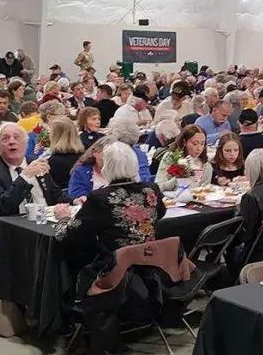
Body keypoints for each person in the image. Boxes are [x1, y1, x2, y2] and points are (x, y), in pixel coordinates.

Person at [53, 139, 165, 274]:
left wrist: (63, 218)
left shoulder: (99, 197)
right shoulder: (151, 189)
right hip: (149, 261)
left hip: (114, 269)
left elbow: (65, 235)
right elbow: (161, 213)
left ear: (106, 167)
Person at [0, 123, 68, 216]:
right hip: (15, 222)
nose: (11, 141)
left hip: (46, 218)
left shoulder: (36, 162)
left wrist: (75, 200)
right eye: (5, 138)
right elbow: (1, 207)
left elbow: (55, 194)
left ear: (26, 144)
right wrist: (25, 176)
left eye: (17, 137)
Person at [154, 124, 213, 191]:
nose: (199, 148)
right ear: (184, 142)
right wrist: (178, 179)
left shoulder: (206, 165)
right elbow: (159, 187)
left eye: (202, 144)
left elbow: (205, 191)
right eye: (195, 144)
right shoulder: (170, 157)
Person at [43, 117, 86, 188]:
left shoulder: (51, 162)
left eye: (50, 132)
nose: (49, 135)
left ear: (55, 136)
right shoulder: (85, 158)